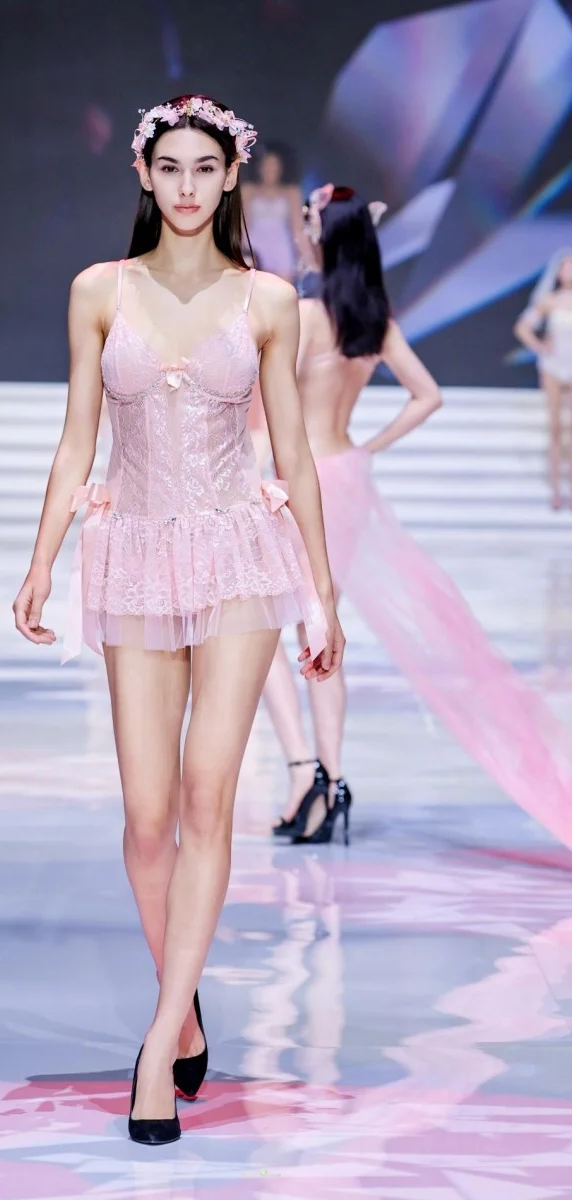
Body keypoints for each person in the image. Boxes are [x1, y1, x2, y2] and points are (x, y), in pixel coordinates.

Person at [11, 95, 345, 1145]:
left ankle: (158, 1047)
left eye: (207, 168)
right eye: (172, 168)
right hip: (133, 556)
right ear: (144, 177)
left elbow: (294, 456)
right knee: (146, 816)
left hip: (238, 554)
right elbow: (77, 438)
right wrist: (41, 558)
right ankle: (186, 1001)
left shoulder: (267, 299)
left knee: (208, 800)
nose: (189, 186)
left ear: (230, 176)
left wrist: (322, 593)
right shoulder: (99, 290)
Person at [259, 186, 572, 849]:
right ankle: (329, 782)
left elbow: (267, 416)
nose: (302, 232)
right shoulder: (373, 321)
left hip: (297, 482)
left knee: (264, 632)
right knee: (320, 635)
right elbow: (427, 395)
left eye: (308, 221)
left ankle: (304, 773)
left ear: (323, 237)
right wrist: (366, 449)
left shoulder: (304, 316)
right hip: (345, 475)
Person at [514, 249, 572, 510]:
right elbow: (522, 327)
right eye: (566, 267)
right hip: (554, 365)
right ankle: (556, 490)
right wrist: (539, 346)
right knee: (556, 427)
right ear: (558, 272)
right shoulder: (550, 301)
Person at [243, 143, 304, 282]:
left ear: (281, 168)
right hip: (254, 249)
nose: (269, 169)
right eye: (266, 164)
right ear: (259, 167)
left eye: (274, 165)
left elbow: (298, 228)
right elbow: (242, 225)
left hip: (282, 249)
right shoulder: (248, 191)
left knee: (284, 289)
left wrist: (305, 257)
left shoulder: (291, 192)